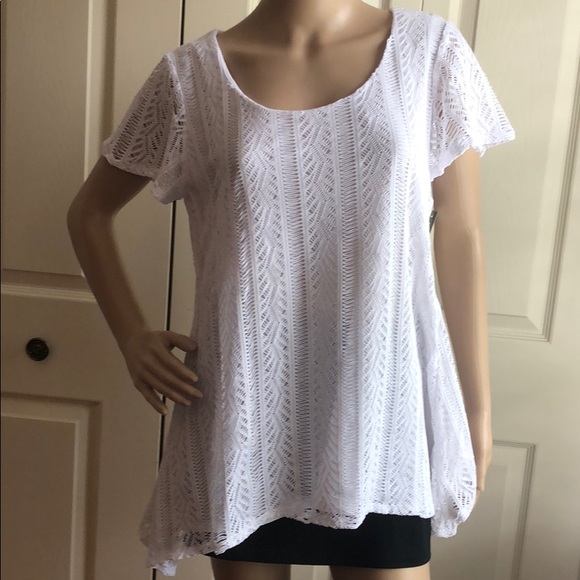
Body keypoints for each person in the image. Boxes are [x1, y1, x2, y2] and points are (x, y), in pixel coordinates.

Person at [67, 1, 515, 579]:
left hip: (384, 418)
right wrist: (132, 337)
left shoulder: (430, 54)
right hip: (246, 417)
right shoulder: (191, 78)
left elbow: (461, 233)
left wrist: (474, 410)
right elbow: (89, 214)